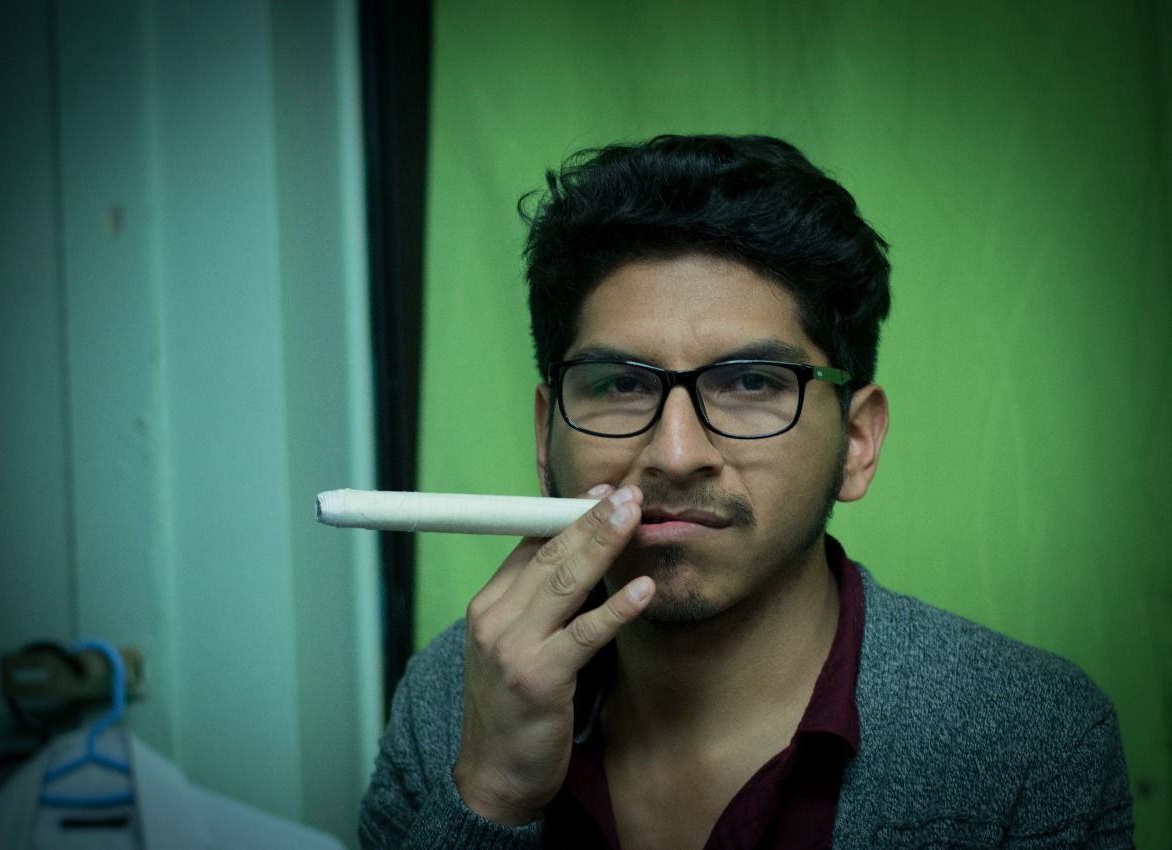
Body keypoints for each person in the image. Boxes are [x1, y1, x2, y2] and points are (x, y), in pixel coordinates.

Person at [358, 135, 1133, 848]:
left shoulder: (1029, 737)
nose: (676, 454)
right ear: (544, 436)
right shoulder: (451, 698)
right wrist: (488, 796)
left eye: (754, 382)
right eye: (621, 385)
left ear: (858, 442)